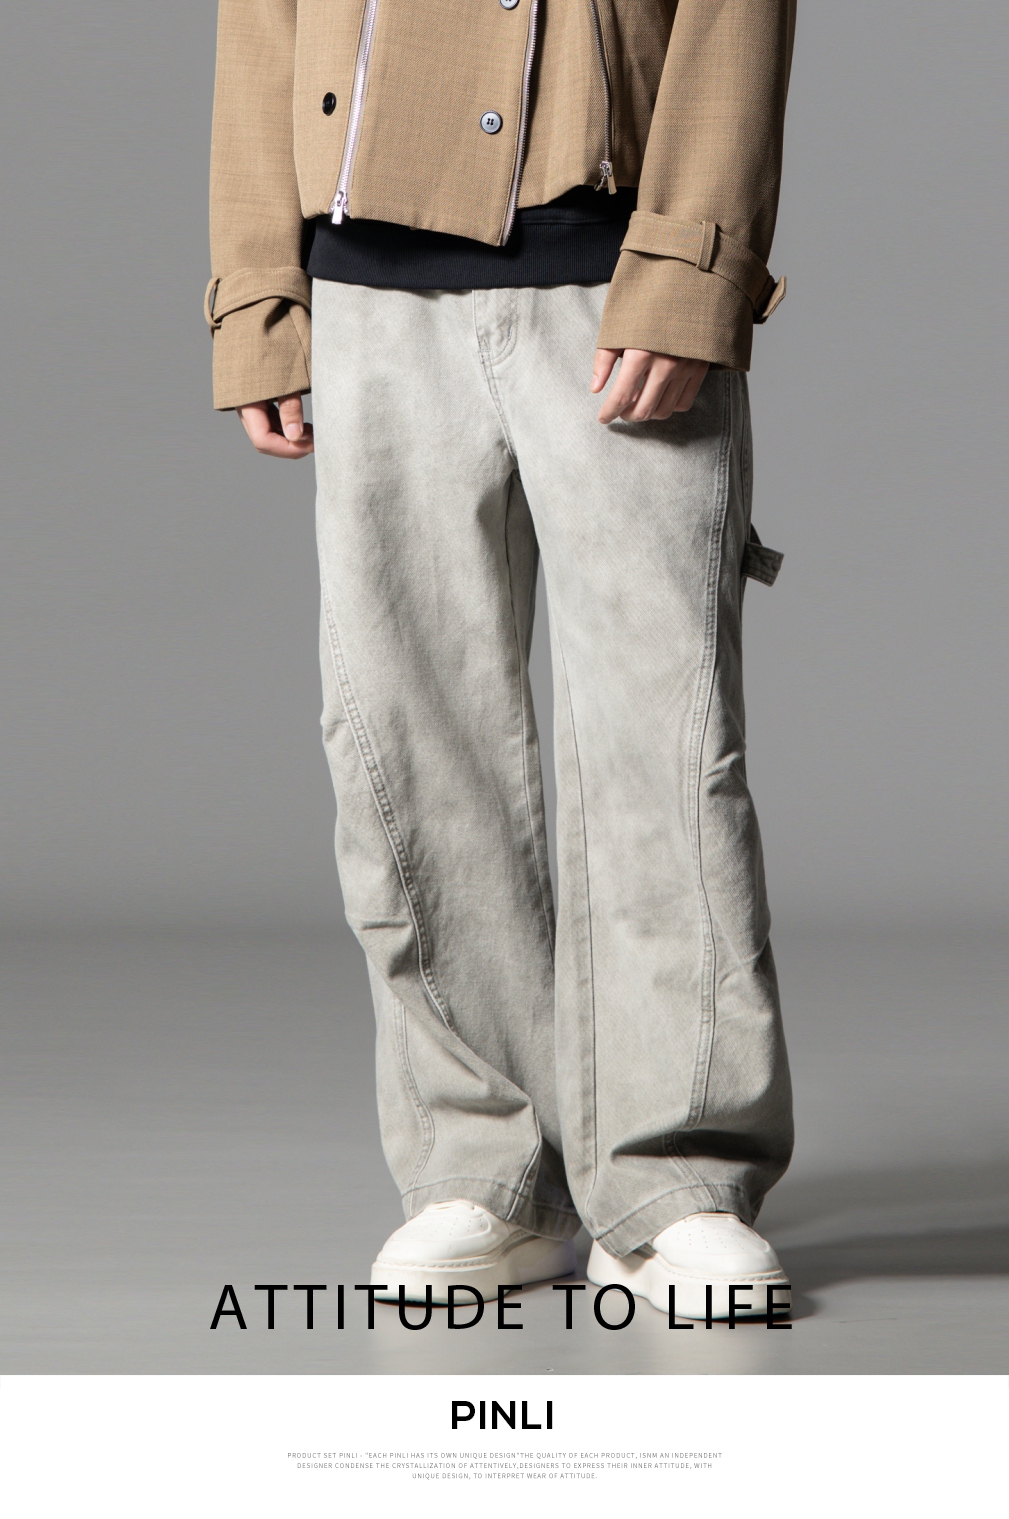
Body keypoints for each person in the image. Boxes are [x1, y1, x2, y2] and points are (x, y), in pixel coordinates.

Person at [207, 0, 796, 1321]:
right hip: (368, 284)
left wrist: (691, 268)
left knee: (662, 742)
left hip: (614, 269)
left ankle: (674, 1180)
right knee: (402, 741)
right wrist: (259, 288)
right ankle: (484, 1169)